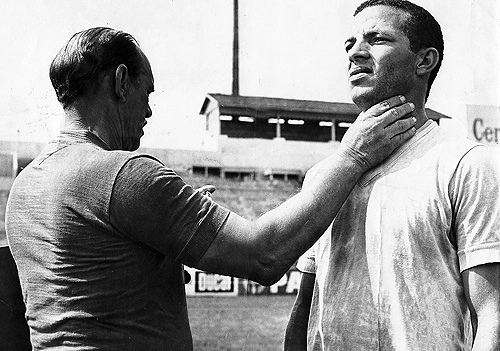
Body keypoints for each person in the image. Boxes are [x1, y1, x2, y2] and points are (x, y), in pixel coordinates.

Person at [4, 27, 416, 350]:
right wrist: (353, 158)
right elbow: (264, 255)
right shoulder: (126, 174)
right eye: (146, 95)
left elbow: (86, 288)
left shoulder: (25, 187)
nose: (148, 111)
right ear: (121, 81)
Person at [284, 1, 500, 350]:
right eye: (350, 44)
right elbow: (305, 305)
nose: (355, 52)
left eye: (377, 39)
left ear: (424, 61)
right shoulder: (322, 175)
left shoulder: (465, 163)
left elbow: (492, 313)